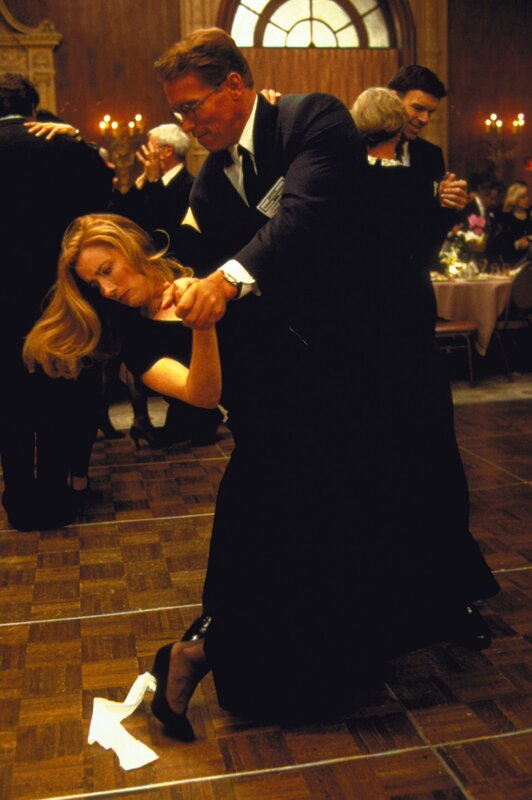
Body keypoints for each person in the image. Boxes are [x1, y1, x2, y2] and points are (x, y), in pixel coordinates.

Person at [121, 29, 500, 739]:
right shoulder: (209, 181)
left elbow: (304, 216)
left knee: (383, 497)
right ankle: (238, 656)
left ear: (236, 85)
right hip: (292, 381)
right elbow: (216, 264)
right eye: (179, 112)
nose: (189, 123)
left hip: (378, 355)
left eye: (195, 106)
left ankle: (412, 619)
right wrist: (171, 294)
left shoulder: (310, 118)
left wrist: (226, 282)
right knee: (288, 520)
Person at [0, 72, 113, 530]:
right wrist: (76, 138)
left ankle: (18, 500)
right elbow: (104, 199)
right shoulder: (63, 146)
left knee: (8, 404)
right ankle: (53, 495)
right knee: (54, 400)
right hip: (58, 297)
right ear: (34, 108)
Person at [492, 182, 532, 266]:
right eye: (522, 197)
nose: (527, 199)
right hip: (512, 261)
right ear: (515, 199)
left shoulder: (530, 215)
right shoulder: (505, 217)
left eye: (528, 196)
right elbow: (499, 243)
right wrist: (517, 244)